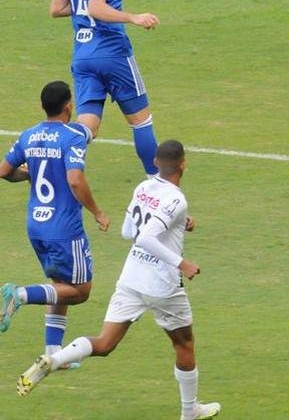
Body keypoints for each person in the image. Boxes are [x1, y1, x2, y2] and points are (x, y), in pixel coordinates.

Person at [18, 140, 220, 420]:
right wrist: (182, 262)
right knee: (184, 344)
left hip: (131, 277)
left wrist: (176, 222)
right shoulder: (176, 199)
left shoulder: (142, 187)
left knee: (104, 343)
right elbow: (148, 237)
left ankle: (54, 360)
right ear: (183, 164)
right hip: (162, 284)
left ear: (157, 163)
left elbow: (129, 232)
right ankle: (190, 412)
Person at [1, 81, 109, 368]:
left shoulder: (29, 135)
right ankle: (20, 294)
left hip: (36, 225)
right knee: (80, 291)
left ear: (42, 106)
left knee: (60, 285)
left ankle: (53, 354)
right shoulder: (72, 136)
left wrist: (31, 174)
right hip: (65, 229)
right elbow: (75, 179)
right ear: (69, 106)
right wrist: (97, 212)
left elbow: (4, 171)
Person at [51, 0, 161, 174]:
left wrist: (80, 9)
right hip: (112, 54)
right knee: (140, 120)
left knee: (88, 124)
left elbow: (56, 8)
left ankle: (53, 153)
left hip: (83, 56)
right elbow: (95, 6)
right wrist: (134, 17)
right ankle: (156, 181)